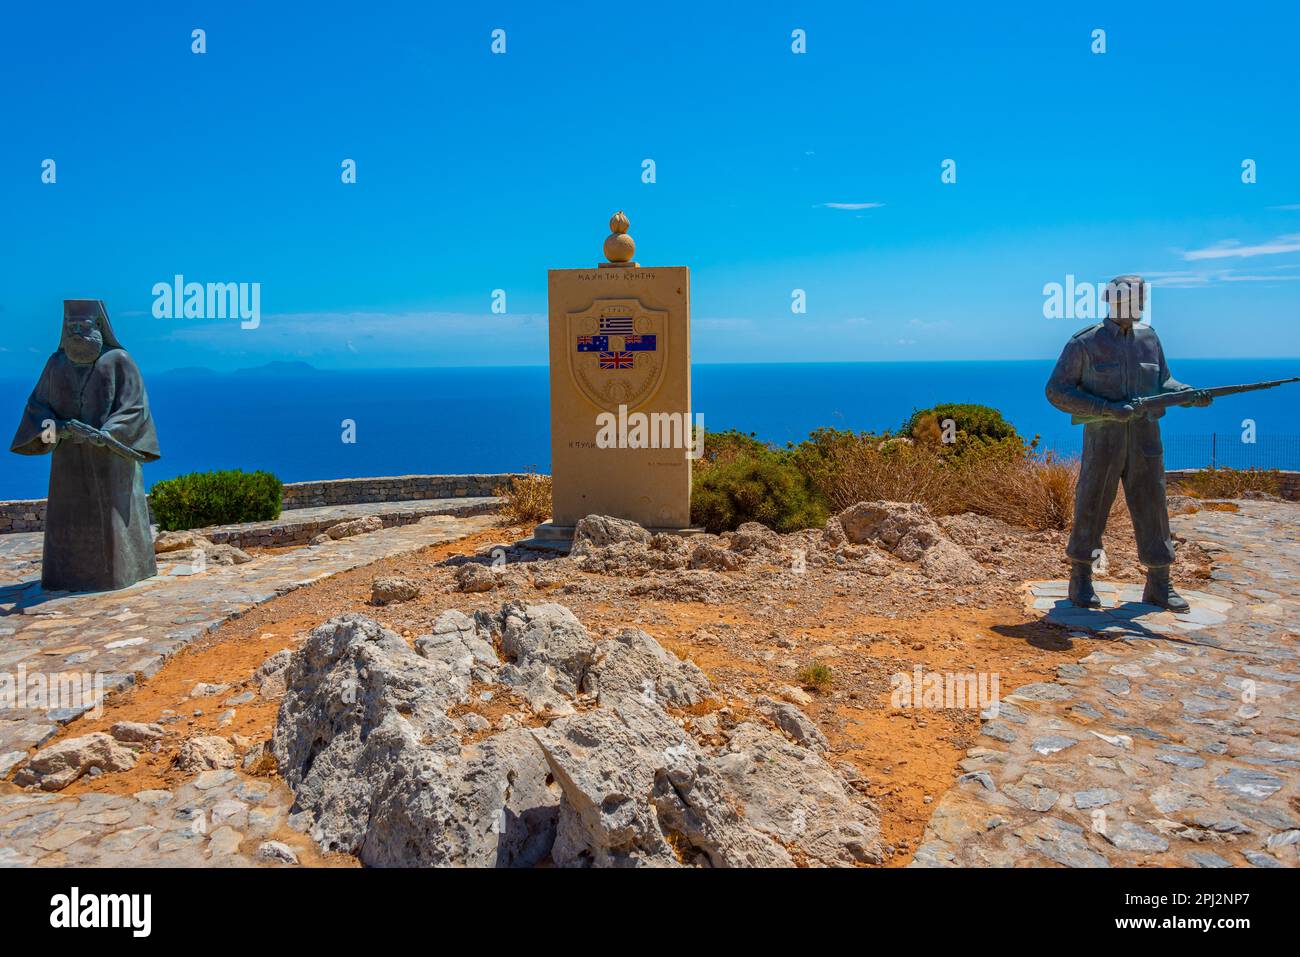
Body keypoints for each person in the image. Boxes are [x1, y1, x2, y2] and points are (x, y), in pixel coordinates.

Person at [1045, 275, 1210, 611]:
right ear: (1112, 299)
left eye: (1141, 296)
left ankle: (1160, 583)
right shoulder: (1085, 343)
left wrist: (1185, 393)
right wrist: (1105, 409)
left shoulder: (1150, 338)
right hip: (1104, 439)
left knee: (1153, 505)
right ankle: (1081, 579)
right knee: (1092, 503)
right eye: (1132, 296)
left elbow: (1164, 380)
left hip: (1146, 439)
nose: (1139, 303)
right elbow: (1057, 391)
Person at [10, 300, 161, 591]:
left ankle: (122, 571)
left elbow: (135, 408)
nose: (77, 332)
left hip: (110, 457)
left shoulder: (119, 361)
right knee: (68, 515)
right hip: (68, 458)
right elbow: (36, 408)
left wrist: (107, 433)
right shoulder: (55, 364)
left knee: (112, 518)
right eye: (71, 327)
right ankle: (66, 576)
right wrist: (60, 429)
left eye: (83, 326)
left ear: (99, 327)